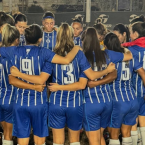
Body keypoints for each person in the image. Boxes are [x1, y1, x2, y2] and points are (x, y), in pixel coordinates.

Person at [10, 23, 116, 145]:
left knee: (58, 140)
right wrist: (107, 71)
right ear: (72, 36)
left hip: (56, 102)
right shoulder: (79, 54)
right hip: (75, 103)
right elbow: (83, 84)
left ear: (57, 36)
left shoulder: (52, 54)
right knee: (75, 140)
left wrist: (56, 86)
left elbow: (43, 79)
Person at [0, 23, 84, 145]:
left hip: (20, 103)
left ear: (26, 37)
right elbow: (66, 60)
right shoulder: (45, 52)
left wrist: (19, 74)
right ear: (40, 39)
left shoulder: (14, 51)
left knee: (22, 140)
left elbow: (12, 80)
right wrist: (76, 48)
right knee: (39, 140)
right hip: (38, 103)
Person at [0, 24, 45, 145]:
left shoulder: (3, 52)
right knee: (9, 135)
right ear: (16, 39)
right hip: (12, 99)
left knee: (4, 133)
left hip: (0, 97)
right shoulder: (14, 55)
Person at [106, 32, 145, 145]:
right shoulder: (129, 56)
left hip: (117, 100)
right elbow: (143, 73)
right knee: (126, 133)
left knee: (113, 135)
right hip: (132, 99)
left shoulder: (109, 57)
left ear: (107, 46)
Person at [122, 22, 145, 145]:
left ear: (135, 34)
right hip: (143, 91)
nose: (129, 36)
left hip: (134, 91)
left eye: (130, 32)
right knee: (143, 120)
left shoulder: (130, 50)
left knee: (132, 123)